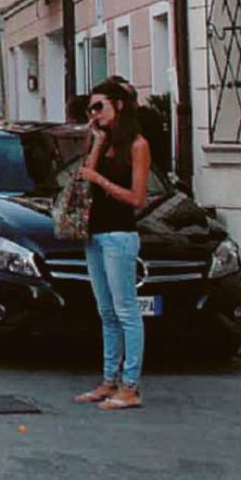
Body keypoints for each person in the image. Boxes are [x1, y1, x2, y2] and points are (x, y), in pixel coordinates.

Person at [74, 79, 152, 411]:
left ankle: (131, 386)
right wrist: (95, 140)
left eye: (99, 106)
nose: (93, 113)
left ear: (118, 105)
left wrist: (102, 182)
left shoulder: (137, 145)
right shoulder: (105, 142)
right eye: (90, 108)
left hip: (120, 234)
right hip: (95, 233)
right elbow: (85, 178)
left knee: (126, 311)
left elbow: (137, 198)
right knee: (106, 312)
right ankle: (109, 380)